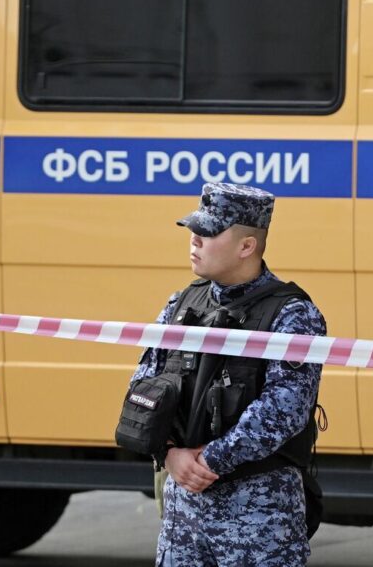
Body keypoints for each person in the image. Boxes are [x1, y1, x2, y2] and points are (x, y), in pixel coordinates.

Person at [132, 182, 327, 567]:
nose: (194, 240)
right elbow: (144, 385)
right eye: (194, 230)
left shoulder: (293, 315)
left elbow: (284, 409)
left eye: (208, 232)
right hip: (183, 516)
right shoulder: (181, 303)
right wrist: (168, 454)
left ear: (246, 246)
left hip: (258, 515)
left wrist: (209, 462)